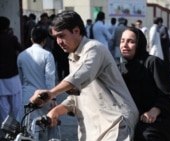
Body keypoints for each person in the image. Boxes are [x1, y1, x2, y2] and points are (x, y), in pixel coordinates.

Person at [29, 10, 139, 141]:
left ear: (76, 31)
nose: (59, 42)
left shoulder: (94, 48)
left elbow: (80, 76)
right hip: (94, 130)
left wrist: (50, 94)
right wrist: (55, 111)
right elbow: (76, 98)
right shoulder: (73, 57)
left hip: (115, 124)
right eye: (56, 38)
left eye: (62, 36)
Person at [118, 27, 170, 141]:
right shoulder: (120, 68)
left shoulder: (153, 63)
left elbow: (168, 95)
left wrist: (155, 110)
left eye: (131, 41)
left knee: (144, 134)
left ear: (140, 44)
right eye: (122, 41)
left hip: (164, 116)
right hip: (137, 117)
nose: (125, 45)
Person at [17, 26, 58, 140]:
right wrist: (53, 99)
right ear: (44, 40)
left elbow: (20, 80)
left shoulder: (21, 56)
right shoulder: (47, 55)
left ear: (31, 39)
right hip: (44, 96)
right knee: (46, 128)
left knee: (27, 130)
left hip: (26, 97)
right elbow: (50, 78)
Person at [0, 16, 23, 137]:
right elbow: (21, 50)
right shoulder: (12, 39)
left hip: (0, 78)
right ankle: (18, 127)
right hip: (13, 76)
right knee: (16, 104)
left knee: (3, 106)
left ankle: (6, 129)